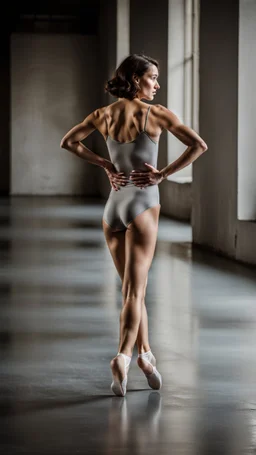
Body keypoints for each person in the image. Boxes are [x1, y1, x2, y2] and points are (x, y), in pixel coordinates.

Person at [60, 53, 208, 397]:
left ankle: (145, 356)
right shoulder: (156, 114)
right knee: (135, 291)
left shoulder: (104, 114)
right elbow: (198, 145)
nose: (157, 84)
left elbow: (68, 141)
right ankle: (122, 357)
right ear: (136, 79)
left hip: (114, 209)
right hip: (143, 205)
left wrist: (105, 165)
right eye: (152, 77)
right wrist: (163, 174)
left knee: (130, 290)